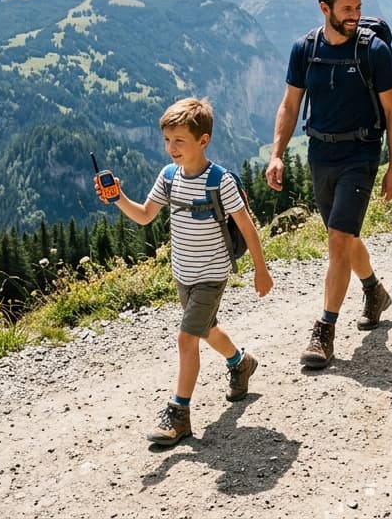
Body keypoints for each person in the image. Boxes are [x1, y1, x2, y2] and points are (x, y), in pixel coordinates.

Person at [96, 97, 273, 447]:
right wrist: (118, 198)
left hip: (212, 272)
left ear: (203, 140)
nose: (171, 148)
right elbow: (145, 215)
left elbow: (247, 226)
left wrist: (261, 270)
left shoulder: (219, 181)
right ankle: (240, 363)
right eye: (167, 140)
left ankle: (179, 413)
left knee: (186, 338)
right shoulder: (169, 176)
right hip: (183, 273)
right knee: (205, 331)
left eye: (179, 141)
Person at [265, 0, 392, 370]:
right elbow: (290, 105)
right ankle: (373, 289)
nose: (355, 15)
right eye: (346, 9)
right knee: (341, 237)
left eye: (358, 8)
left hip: (361, 154)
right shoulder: (304, 49)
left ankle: (324, 330)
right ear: (324, 8)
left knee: (339, 241)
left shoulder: (373, 51)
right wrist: (277, 154)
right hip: (319, 154)